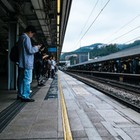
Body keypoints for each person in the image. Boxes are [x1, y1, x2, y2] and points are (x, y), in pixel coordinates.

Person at [17, 25, 41, 102]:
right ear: (30, 32)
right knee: (27, 79)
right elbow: (30, 51)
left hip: (21, 62)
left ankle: (20, 94)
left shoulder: (21, 37)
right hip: (27, 63)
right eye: (32, 34)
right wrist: (37, 48)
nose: (32, 36)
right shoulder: (26, 38)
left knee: (21, 79)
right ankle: (25, 96)